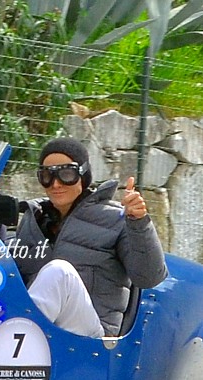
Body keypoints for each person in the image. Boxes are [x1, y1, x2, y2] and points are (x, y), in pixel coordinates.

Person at [15, 137, 167, 338]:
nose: (56, 183)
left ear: (83, 175)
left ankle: (13, 344)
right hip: (44, 333)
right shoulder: (32, 219)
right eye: (46, 175)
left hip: (91, 337)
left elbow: (149, 276)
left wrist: (138, 222)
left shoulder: (116, 219)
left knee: (59, 272)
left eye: (66, 174)